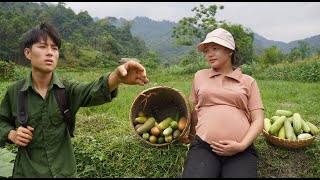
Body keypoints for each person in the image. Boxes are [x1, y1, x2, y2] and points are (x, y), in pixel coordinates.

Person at [0, 22, 149, 178]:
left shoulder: (67, 89)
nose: (50, 53)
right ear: (28, 53)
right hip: (27, 173)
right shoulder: (15, 92)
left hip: (64, 173)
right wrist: (11, 134)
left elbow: (92, 90)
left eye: (55, 48)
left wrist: (117, 77)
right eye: (43, 47)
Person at [181, 28, 264, 178]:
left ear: (229, 50)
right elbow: (195, 111)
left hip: (241, 151)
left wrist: (242, 145)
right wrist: (191, 135)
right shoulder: (200, 76)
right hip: (204, 147)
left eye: (215, 48)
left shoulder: (248, 81)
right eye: (206, 51)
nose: (209, 54)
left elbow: (258, 120)